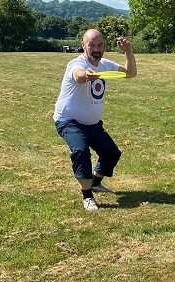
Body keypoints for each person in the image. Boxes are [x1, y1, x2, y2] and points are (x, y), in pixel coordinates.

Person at [53, 29, 137, 211]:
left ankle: (95, 182)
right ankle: (87, 196)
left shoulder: (105, 64)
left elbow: (130, 73)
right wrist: (86, 75)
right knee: (81, 151)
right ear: (83, 46)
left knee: (112, 153)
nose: (96, 49)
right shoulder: (76, 63)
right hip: (69, 120)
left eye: (100, 45)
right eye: (91, 45)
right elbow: (77, 74)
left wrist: (129, 52)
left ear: (104, 46)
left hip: (93, 123)